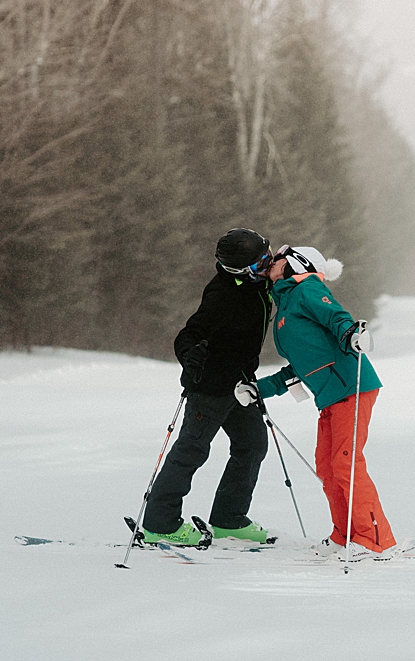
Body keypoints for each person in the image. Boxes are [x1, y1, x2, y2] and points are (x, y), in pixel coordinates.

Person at [236, 244, 398, 560]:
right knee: (327, 466)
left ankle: (375, 540)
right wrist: (259, 389)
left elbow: (335, 315)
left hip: (352, 386)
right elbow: (300, 366)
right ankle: (344, 536)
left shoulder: (306, 287)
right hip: (330, 396)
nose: (274, 260)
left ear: (296, 264)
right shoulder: (284, 305)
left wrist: (352, 332)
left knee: (346, 463)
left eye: (281, 256)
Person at [143, 227, 275, 546]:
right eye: (260, 264)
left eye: (267, 258)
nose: (267, 267)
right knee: (191, 450)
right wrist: (190, 355)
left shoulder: (256, 284)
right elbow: (188, 334)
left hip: (240, 385)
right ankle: (160, 522)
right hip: (212, 388)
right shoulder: (223, 295)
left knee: (253, 445)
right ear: (237, 269)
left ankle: (229, 518)